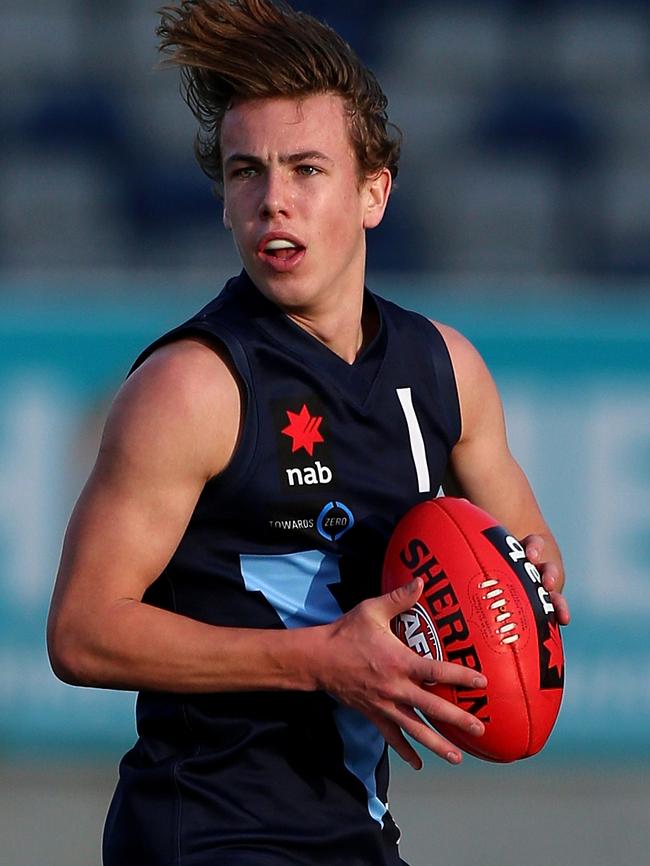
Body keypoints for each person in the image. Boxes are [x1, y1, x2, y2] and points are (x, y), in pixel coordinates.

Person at [47, 1, 570, 864]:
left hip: (356, 834)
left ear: (374, 191)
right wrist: (322, 658)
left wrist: (534, 579)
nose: (273, 201)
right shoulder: (193, 387)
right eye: (246, 172)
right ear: (223, 199)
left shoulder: (447, 371)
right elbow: (82, 631)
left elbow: (528, 549)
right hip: (206, 834)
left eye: (306, 169)